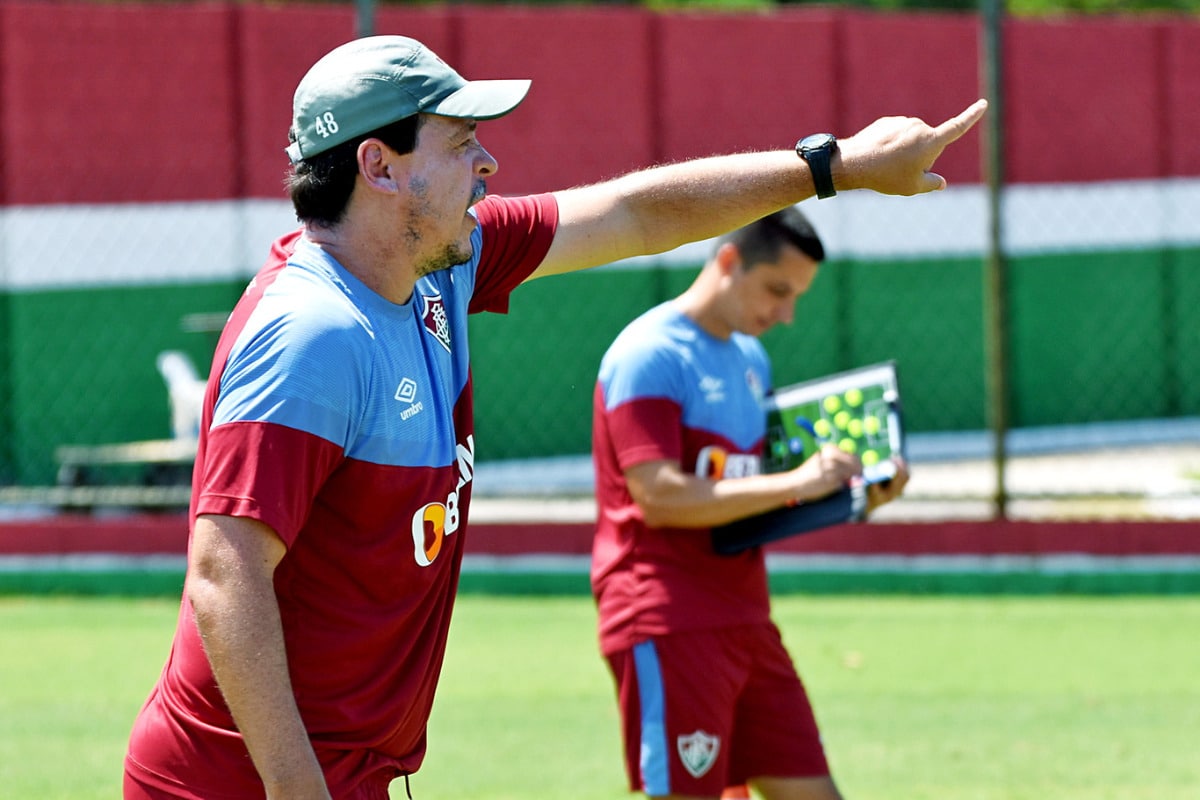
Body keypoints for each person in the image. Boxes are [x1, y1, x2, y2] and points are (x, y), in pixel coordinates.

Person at [122, 32, 983, 800]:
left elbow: (638, 212)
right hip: (237, 783)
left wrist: (835, 168)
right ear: (378, 167)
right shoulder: (310, 332)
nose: (488, 164)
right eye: (462, 144)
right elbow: (225, 578)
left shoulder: (439, 269)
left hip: (333, 770)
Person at [590, 207, 910, 800]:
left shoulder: (749, 359)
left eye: (797, 298)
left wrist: (854, 496)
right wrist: (799, 483)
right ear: (729, 261)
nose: (785, 314)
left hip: (745, 617)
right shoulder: (648, 355)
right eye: (777, 291)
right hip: (667, 618)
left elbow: (750, 495)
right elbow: (658, 496)